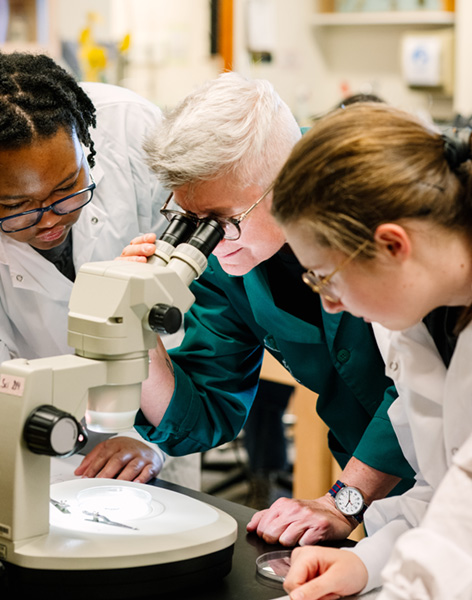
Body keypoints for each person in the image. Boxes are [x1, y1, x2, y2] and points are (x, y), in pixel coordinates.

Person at [0, 48, 196, 553]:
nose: (52, 220)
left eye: (69, 188)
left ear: (87, 147)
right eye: (16, 209)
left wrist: (155, 437)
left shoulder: (136, 135)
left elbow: (200, 307)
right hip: (39, 455)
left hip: (159, 430)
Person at [120, 72, 415, 547]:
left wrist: (343, 499)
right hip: (385, 498)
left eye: (224, 221)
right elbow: (201, 416)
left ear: (286, 180)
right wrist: (134, 330)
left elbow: (424, 385)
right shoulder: (225, 262)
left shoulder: (380, 203)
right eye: (188, 218)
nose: (209, 243)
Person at [271, 101, 472, 599]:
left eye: (326, 277)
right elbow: (446, 497)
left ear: (393, 246)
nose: (331, 306)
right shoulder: (420, 320)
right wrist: (363, 563)